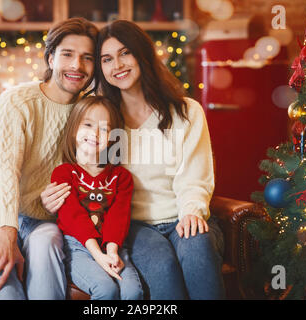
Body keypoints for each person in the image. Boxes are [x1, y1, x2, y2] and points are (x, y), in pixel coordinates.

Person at [0, 17, 98, 300]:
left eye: (87, 58)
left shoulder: (91, 111)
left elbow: (97, 175)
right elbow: (4, 172)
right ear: (51, 58)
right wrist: (6, 231)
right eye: (67, 55)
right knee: (2, 276)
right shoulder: (17, 101)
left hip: (44, 221)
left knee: (47, 243)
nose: (77, 66)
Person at [95, 20, 225, 300]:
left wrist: (192, 211)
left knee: (196, 248)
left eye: (124, 53)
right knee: (162, 265)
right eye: (107, 59)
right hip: (135, 226)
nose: (117, 65)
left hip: (183, 214)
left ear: (142, 54)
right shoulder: (102, 121)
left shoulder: (187, 112)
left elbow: (195, 176)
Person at [50, 96, 143, 300]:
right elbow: (72, 216)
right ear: (74, 129)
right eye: (88, 124)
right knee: (105, 290)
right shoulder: (64, 173)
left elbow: (118, 217)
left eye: (104, 128)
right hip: (78, 246)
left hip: (114, 246)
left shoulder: (121, 177)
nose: (95, 133)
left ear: (112, 138)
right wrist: (97, 255)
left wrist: (111, 252)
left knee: (132, 292)